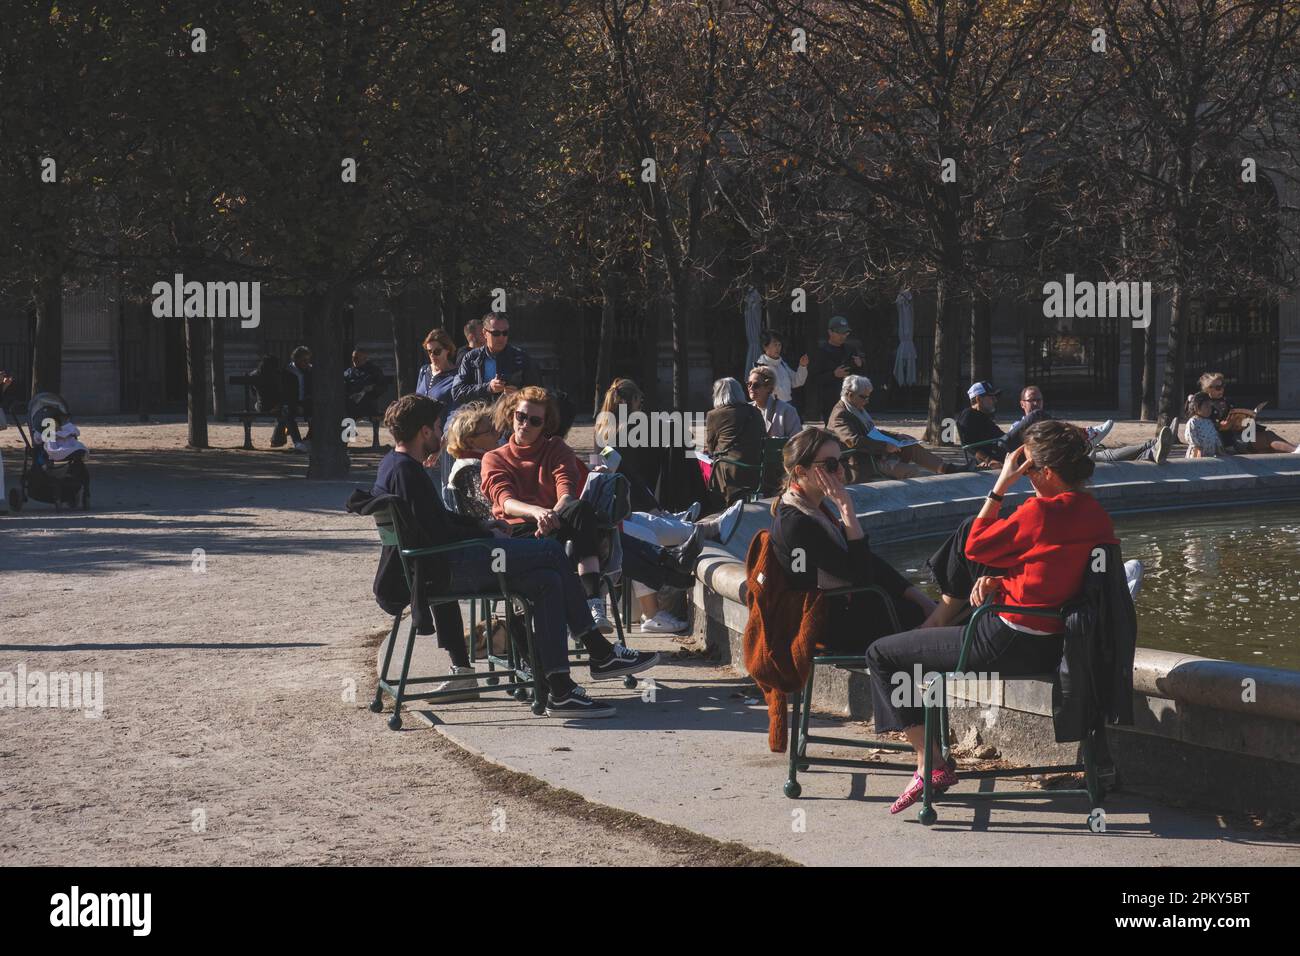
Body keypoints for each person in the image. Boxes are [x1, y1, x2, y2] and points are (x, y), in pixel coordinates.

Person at [866, 420, 1118, 813]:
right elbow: (1057, 573)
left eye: (1027, 466)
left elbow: (974, 547)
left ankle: (928, 764)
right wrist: (1000, 582)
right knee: (918, 652)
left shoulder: (1039, 512)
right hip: (1056, 645)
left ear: (1047, 473)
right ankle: (938, 629)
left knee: (884, 655)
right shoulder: (1096, 514)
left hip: (1004, 640)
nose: (1023, 473)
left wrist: (1000, 484)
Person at [369, 394, 658, 716]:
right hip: (449, 566)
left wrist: (482, 523)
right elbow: (437, 534)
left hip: (440, 563)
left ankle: (561, 689)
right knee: (549, 551)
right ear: (423, 432)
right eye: (437, 427)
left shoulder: (394, 466)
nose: (440, 433)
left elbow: (435, 524)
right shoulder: (407, 473)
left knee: (547, 579)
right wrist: (483, 533)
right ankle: (598, 650)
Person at [770, 427, 935, 654]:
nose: (839, 470)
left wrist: (919, 596)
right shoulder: (798, 523)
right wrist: (846, 509)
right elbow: (861, 575)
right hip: (833, 626)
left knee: (945, 608)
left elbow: (867, 563)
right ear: (802, 471)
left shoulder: (812, 508)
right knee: (948, 618)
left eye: (841, 461)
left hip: (849, 609)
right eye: (830, 464)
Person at [480, 386, 621, 632]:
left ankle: (594, 602)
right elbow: (506, 502)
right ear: (512, 414)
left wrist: (551, 515)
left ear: (545, 425)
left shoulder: (556, 449)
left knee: (581, 509)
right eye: (520, 417)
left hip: (553, 522)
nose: (524, 424)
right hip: (517, 533)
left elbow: (565, 490)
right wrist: (537, 513)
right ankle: (585, 631)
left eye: (534, 421)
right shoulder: (494, 457)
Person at [596, 378, 744, 544]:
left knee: (671, 447)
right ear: (627, 402)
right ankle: (683, 507)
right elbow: (678, 432)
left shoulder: (604, 430)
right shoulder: (636, 427)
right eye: (638, 400)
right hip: (638, 496)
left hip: (627, 494)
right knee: (678, 445)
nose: (640, 406)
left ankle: (669, 514)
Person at [829, 376, 961, 480]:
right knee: (913, 472)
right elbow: (853, 441)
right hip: (863, 460)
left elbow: (872, 431)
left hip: (875, 453)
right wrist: (884, 446)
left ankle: (946, 468)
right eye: (863, 397)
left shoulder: (856, 408)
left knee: (911, 446)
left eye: (869, 396)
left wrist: (896, 436)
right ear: (849, 394)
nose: (867, 400)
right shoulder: (841, 414)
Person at [1006, 385, 1173, 464]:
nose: (1036, 403)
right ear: (1022, 404)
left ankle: (1152, 448)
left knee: (1107, 454)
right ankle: (1086, 435)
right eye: (1031, 400)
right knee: (1105, 456)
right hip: (1057, 461)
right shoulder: (1017, 427)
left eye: (1039, 400)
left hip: (1070, 455)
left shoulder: (1049, 424)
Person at [1197, 371, 1298, 454]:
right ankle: (1296, 452)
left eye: (1223, 386)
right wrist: (1220, 425)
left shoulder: (1228, 401)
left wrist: (1247, 418)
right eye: (1218, 388)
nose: (1222, 390)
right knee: (1268, 437)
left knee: (1269, 448)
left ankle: (1294, 454)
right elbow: (1203, 426)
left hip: (1241, 434)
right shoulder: (1204, 405)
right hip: (1228, 442)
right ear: (1208, 389)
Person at [451, 314, 537, 406]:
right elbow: (457, 392)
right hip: (479, 415)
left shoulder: (521, 358)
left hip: (510, 415)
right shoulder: (472, 358)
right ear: (484, 333)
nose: (501, 337)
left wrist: (519, 394)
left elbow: (537, 392)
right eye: (496, 333)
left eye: (505, 333)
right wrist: (488, 388)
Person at [705, 377, 765, 507]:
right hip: (756, 470)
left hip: (731, 471)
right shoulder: (755, 412)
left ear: (718, 394)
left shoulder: (714, 415)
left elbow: (711, 447)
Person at [807, 315, 865, 421]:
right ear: (830, 332)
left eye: (845, 333)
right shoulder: (821, 352)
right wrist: (833, 375)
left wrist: (860, 365)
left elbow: (861, 375)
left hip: (850, 399)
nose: (843, 336)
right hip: (830, 401)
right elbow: (814, 379)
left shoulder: (850, 350)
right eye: (839, 333)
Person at [954, 381, 1006, 467]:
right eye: (991, 397)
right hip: (995, 459)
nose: (995, 400)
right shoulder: (969, 415)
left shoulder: (983, 416)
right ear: (978, 399)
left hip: (1002, 453)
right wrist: (988, 460)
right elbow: (969, 445)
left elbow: (1002, 436)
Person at [754, 329, 809, 404]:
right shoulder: (760, 367)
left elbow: (797, 381)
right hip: (773, 407)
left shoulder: (782, 364)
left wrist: (802, 366)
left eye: (779, 345)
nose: (778, 348)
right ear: (765, 347)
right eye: (775, 345)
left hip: (788, 404)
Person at [748, 366, 802, 439]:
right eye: (749, 384)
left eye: (756, 385)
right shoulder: (746, 410)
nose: (751, 388)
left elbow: (797, 441)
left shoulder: (787, 411)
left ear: (769, 388)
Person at [279, 346, 314, 451]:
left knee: (319, 412)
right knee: (287, 413)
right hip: (291, 402)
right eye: (304, 360)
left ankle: (309, 439)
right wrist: (296, 405)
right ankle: (298, 442)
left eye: (308, 360)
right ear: (296, 359)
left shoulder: (310, 370)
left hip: (306, 401)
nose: (307, 362)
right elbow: (286, 393)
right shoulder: (288, 372)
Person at [415, 329, 459, 413]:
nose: (432, 355)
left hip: (445, 425)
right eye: (429, 351)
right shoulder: (424, 370)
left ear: (448, 350)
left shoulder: (457, 375)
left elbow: (456, 410)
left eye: (437, 351)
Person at [344, 349, 387, 420]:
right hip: (350, 406)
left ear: (365, 359)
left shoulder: (374, 371)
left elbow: (383, 386)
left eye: (356, 358)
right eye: (353, 357)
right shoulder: (349, 372)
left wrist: (373, 388)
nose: (353, 360)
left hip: (369, 406)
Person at [1184, 391, 1226, 458]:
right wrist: (1198, 449)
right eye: (1206, 406)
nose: (1209, 409)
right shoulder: (1193, 421)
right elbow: (1191, 438)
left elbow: (1215, 436)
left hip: (1210, 455)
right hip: (1196, 455)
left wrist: (1219, 448)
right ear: (1196, 407)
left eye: (1210, 406)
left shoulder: (1209, 422)